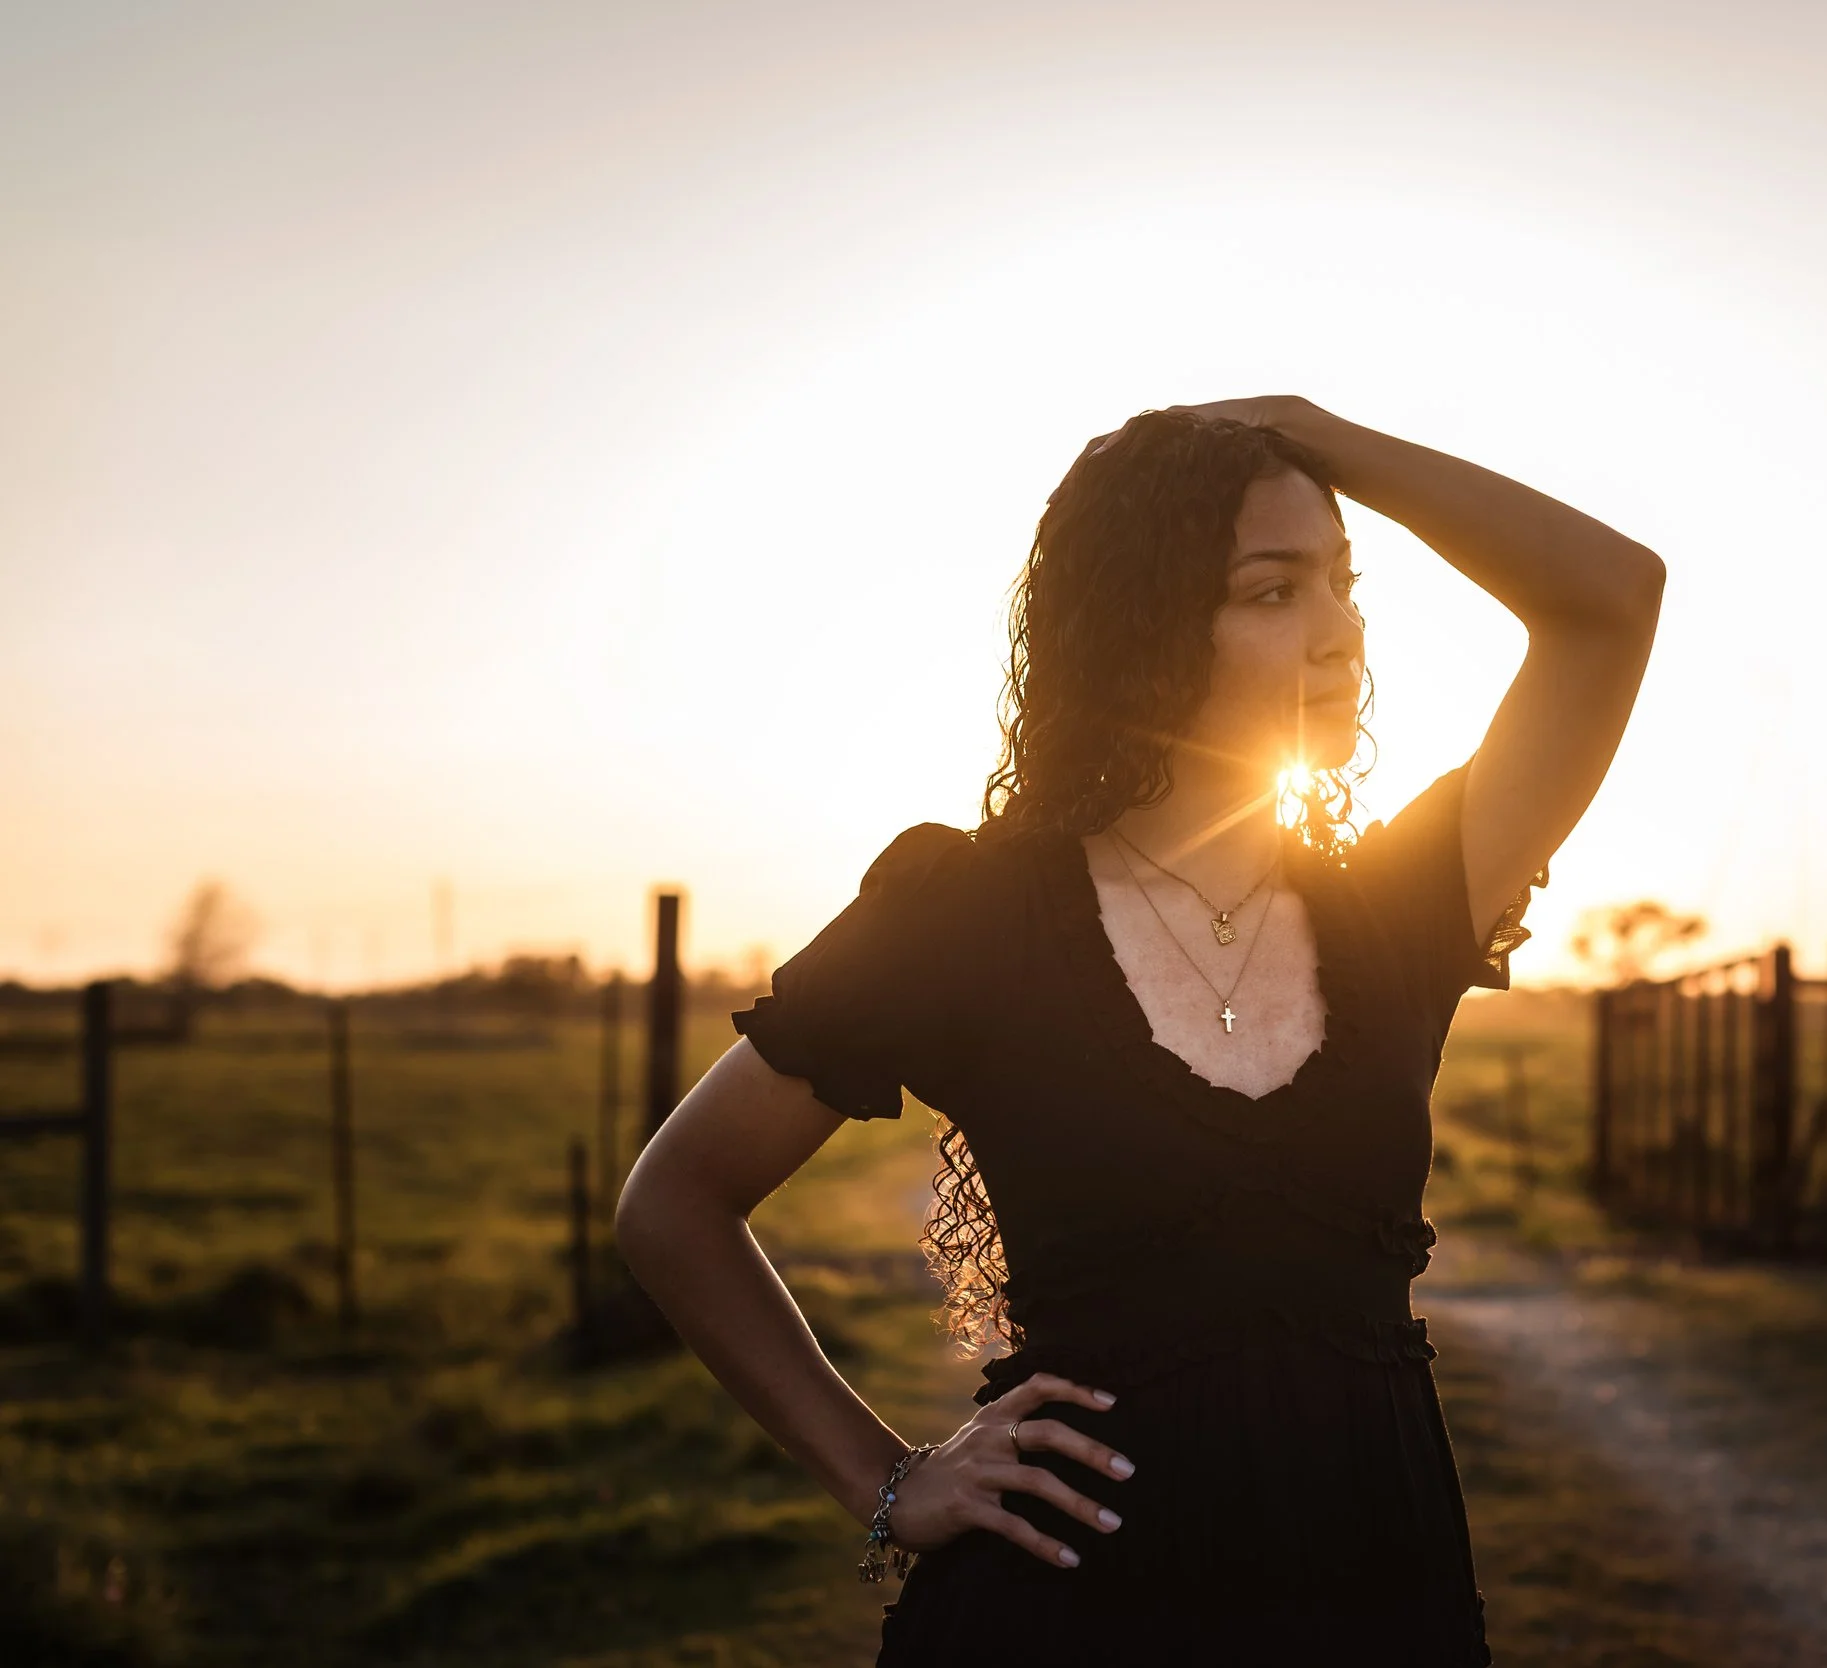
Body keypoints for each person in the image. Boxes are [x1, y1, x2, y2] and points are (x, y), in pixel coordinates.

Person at [614, 395, 1662, 1666]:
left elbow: (1612, 600)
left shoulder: (1405, 908)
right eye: (1273, 594)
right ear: (1144, 630)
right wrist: (885, 1482)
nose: (1341, 632)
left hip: (1376, 1597)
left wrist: (1310, 430)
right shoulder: (969, 913)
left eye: (1344, 583)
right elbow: (675, 1202)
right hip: (1067, 1610)